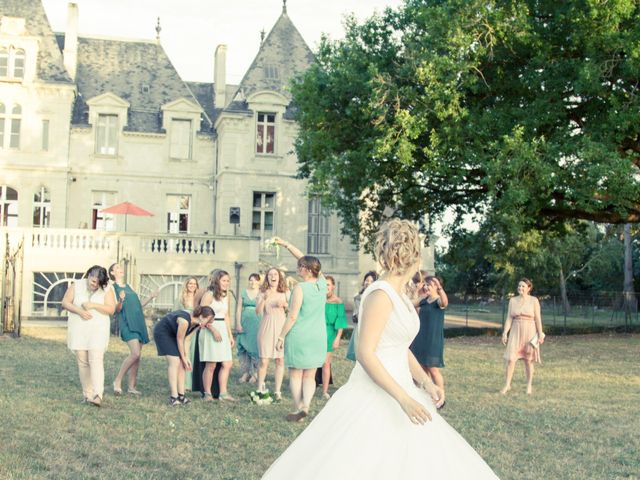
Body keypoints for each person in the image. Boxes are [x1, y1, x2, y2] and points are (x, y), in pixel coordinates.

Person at [262, 219, 499, 479]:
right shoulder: (380, 294)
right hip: (374, 393)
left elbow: (399, 347)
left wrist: (425, 382)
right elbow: (365, 353)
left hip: (403, 387)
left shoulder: (399, 295)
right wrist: (403, 399)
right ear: (412, 257)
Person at [273, 237, 327, 422]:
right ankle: (306, 405)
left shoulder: (300, 288)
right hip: (318, 336)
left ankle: (297, 408)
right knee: (310, 375)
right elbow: (305, 257)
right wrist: (287, 245)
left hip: (300, 335)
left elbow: (292, 316)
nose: (298, 268)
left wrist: (281, 336)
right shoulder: (323, 283)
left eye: (301, 266)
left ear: (307, 270)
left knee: (295, 374)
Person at [62, 265, 116, 407]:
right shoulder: (77, 285)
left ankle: (98, 395)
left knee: (96, 359)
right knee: (83, 362)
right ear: (89, 275)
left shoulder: (107, 288)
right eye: (93, 281)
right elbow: (65, 302)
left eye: (98, 284)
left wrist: (93, 305)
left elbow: (111, 309)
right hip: (79, 328)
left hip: (98, 329)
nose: (95, 285)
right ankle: (87, 394)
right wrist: (79, 311)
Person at [109, 263, 158, 396]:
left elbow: (138, 305)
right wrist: (121, 300)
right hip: (126, 322)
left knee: (138, 357)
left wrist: (151, 297)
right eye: (117, 267)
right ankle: (117, 380)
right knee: (135, 353)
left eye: (120, 267)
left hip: (138, 322)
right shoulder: (112, 288)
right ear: (112, 273)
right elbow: (116, 309)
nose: (121, 269)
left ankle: (131, 387)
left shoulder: (129, 286)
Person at [153, 306, 215, 406]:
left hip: (175, 335)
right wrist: (183, 357)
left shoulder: (197, 325)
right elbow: (180, 340)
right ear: (201, 317)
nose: (209, 324)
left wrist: (186, 358)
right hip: (163, 332)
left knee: (182, 364)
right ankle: (174, 397)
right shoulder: (185, 321)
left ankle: (181, 396)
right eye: (209, 320)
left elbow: (187, 340)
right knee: (175, 361)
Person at [501, 278, 545, 395]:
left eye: (523, 286)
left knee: (528, 360)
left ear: (529, 288)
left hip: (529, 331)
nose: (520, 288)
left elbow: (538, 319)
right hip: (516, 331)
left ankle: (529, 385)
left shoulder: (534, 300)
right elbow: (509, 318)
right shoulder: (512, 300)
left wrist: (540, 333)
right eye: (519, 286)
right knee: (511, 359)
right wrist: (505, 332)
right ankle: (507, 385)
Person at [409, 274, 448, 405]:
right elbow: (410, 304)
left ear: (436, 287)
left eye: (429, 285)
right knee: (421, 368)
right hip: (420, 339)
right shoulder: (424, 300)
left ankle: (440, 397)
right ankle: (424, 395)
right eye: (425, 284)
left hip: (433, 340)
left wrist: (440, 289)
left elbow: (445, 302)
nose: (426, 287)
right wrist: (417, 291)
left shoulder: (438, 301)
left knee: (433, 369)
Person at [199, 269, 236, 401]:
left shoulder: (226, 296)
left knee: (227, 363)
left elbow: (226, 316)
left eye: (228, 280)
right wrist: (213, 330)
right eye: (224, 280)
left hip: (223, 329)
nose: (226, 283)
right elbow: (201, 316)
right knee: (212, 364)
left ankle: (223, 393)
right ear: (216, 280)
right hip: (210, 329)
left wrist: (230, 336)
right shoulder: (208, 295)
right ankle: (207, 393)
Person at [255, 268, 289, 401]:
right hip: (266, 327)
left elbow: (292, 309)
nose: (273, 277)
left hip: (281, 327)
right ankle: (259, 389)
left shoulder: (285, 292)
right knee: (264, 360)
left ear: (279, 277)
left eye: (275, 274)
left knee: (280, 360)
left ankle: (277, 391)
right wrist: (263, 299)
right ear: (267, 278)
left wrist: (285, 304)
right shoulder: (262, 292)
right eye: (270, 275)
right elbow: (257, 312)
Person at [316, 275, 348, 399]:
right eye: (324, 285)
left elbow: (340, 321)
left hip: (329, 333)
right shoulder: (318, 299)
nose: (326, 287)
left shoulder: (338, 302)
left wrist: (338, 337)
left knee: (326, 362)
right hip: (315, 331)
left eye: (328, 284)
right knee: (312, 361)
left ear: (333, 286)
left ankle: (324, 391)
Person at [175, 276, 200, 392]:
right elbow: (175, 314)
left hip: (196, 330)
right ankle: (183, 383)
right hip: (184, 329)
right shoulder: (180, 299)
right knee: (184, 353)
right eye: (190, 283)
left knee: (193, 354)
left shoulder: (198, 299)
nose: (192, 286)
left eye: (194, 284)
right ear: (186, 285)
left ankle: (192, 383)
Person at [346, 271, 378, 361]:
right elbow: (355, 316)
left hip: (372, 329)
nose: (368, 283)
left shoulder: (377, 297)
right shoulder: (358, 297)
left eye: (372, 281)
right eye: (367, 280)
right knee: (358, 355)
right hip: (360, 328)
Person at [236, 273, 261, 384]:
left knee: (255, 347)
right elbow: (238, 309)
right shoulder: (243, 293)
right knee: (244, 347)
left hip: (257, 323)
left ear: (259, 282)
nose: (253, 282)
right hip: (245, 322)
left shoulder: (262, 293)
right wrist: (238, 324)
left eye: (255, 280)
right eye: (251, 280)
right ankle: (246, 373)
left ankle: (255, 373)